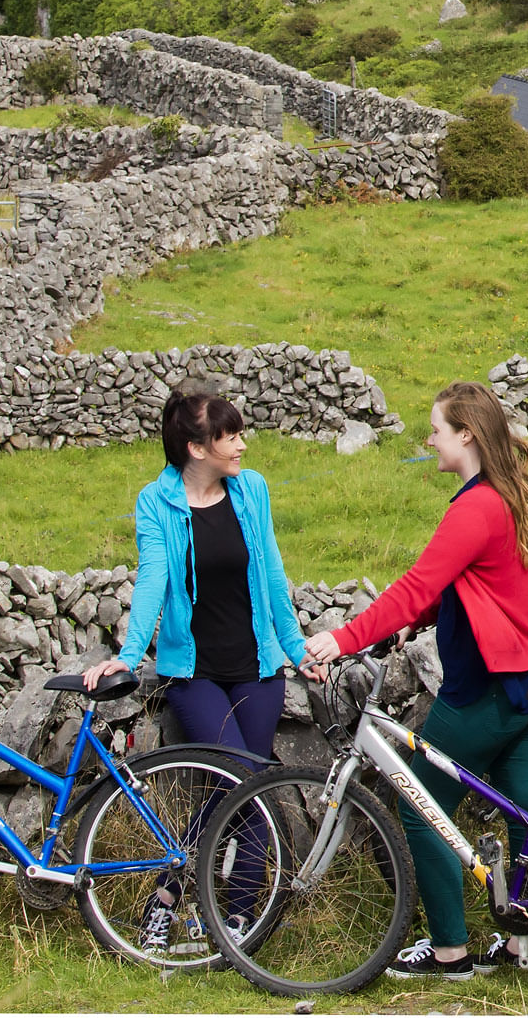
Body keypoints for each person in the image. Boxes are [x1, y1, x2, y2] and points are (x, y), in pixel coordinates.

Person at [302, 382, 528, 982]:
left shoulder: (474, 506)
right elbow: (473, 585)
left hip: (485, 689)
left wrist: (345, 638)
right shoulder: (511, 492)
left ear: (465, 434)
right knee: (525, 817)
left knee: (420, 806)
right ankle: (526, 946)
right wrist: (418, 621)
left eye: (437, 429)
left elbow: (418, 584)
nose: (430, 439)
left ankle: (449, 952)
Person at [82, 391, 307, 955]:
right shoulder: (156, 502)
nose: (242, 445)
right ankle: (172, 897)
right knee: (238, 779)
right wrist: (129, 655)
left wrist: (297, 649)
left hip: (258, 668)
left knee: (252, 789)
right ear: (196, 448)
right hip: (194, 672)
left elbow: (272, 572)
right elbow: (153, 578)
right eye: (231, 437)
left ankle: (236, 920)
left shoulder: (252, 489)